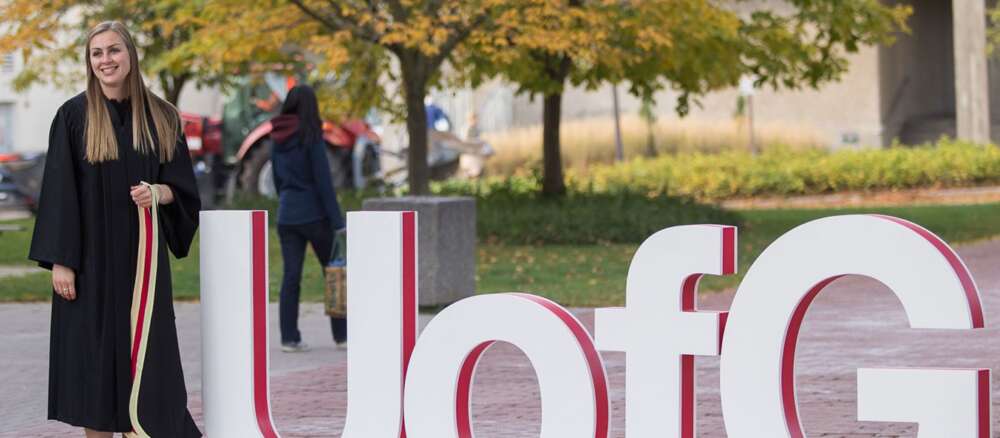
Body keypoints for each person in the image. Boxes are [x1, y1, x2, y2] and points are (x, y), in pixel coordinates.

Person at [28, 22, 201, 437]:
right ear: (89, 62)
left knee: (146, 363)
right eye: (97, 53)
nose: (105, 60)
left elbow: (184, 191)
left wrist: (159, 192)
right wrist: (61, 262)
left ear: (131, 55)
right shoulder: (73, 116)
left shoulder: (162, 117)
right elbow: (58, 193)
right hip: (88, 266)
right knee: (95, 373)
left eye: (113, 51)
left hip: (141, 265)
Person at [270, 84, 347, 352]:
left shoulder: (277, 136)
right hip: (315, 215)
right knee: (334, 271)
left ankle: (289, 338)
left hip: (287, 215)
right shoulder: (311, 136)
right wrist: (338, 222)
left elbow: (278, 180)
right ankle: (341, 335)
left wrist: (287, 201)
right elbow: (323, 182)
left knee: (291, 276)